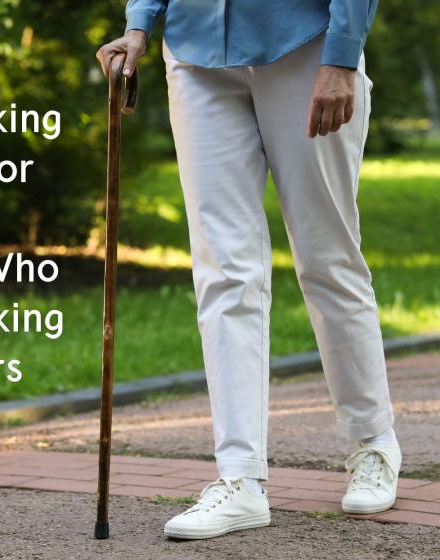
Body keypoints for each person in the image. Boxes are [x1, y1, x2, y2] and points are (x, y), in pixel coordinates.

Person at [97, 0, 400, 540]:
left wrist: (343, 55)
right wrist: (138, 24)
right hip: (194, 53)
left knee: (326, 258)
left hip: (306, 46)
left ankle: (373, 443)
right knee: (223, 269)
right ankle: (239, 480)